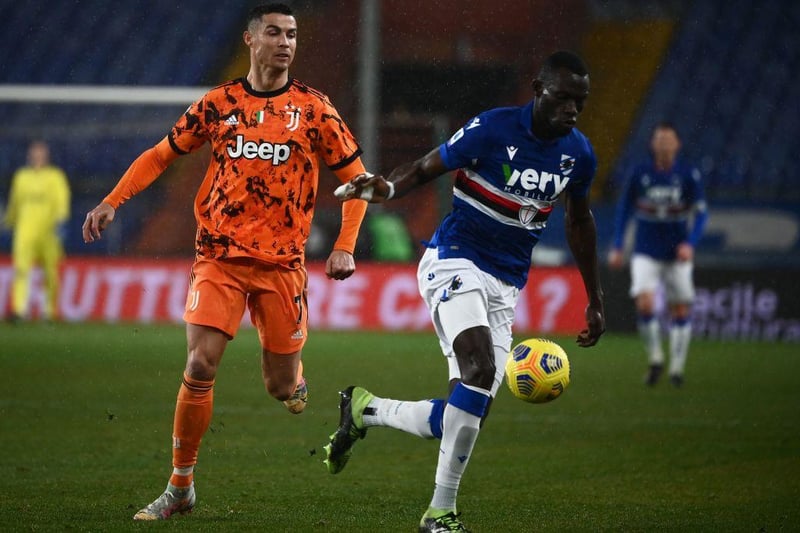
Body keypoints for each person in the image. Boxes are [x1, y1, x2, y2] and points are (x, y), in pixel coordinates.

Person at [82, 3, 370, 521]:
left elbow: (358, 181)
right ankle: (181, 486)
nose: (285, 42)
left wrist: (345, 245)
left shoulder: (315, 109)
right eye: (275, 33)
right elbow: (161, 154)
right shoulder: (219, 104)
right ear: (251, 40)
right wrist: (112, 200)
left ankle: (293, 379)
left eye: (293, 35)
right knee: (199, 364)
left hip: (282, 267)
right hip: (218, 258)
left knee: (279, 386)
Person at [326, 50, 606, 532]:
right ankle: (440, 514)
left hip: (506, 284)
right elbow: (424, 167)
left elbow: (579, 221)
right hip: (455, 258)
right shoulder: (493, 129)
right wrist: (387, 190)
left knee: (463, 414)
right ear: (539, 90)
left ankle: (365, 410)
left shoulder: (578, 154)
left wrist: (595, 297)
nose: (572, 110)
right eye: (563, 99)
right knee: (479, 369)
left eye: (579, 101)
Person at [607, 122, 707, 388]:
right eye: (659, 139)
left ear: (677, 144)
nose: (663, 143)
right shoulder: (639, 173)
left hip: (677, 253)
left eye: (668, 139)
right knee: (645, 304)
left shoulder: (688, 174)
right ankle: (655, 359)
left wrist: (691, 243)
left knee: (680, 308)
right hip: (645, 251)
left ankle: (676, 368)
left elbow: (701, 214)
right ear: (652, 144)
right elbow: (624, 209)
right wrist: (618, 245)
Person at [4, 140, 71, 322]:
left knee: (51, 272)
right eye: (34, 153)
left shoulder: (55, 177)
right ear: (29, 155)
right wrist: (8, 222)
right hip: (24, 231)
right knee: (21, 270)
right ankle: (19, 310)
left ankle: (49, 311)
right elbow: (14, 204)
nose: (37, 156)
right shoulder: (21, 177)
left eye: (40, 153)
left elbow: (62, 201)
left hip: (48, 232)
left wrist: (60, 222)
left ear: (46, 156)